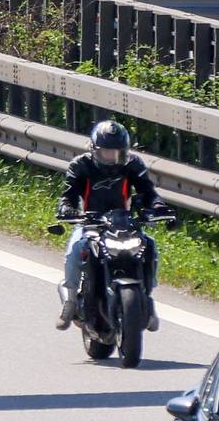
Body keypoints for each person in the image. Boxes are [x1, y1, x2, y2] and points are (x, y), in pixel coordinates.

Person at [55, 120, 167, 329]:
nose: (111, 157)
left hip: (124, 223)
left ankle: (147, 298)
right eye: (106, 152)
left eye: (116, 152)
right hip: (90, 223)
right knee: (75, 250)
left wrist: (158, 206)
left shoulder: (133, 164)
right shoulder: (80, 165)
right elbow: (68, 196)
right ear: (95, 149)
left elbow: (148, 191)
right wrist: (67, 210)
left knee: (150, 245)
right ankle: (70, 301)